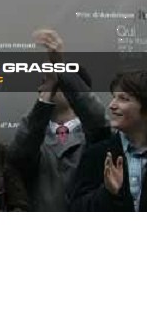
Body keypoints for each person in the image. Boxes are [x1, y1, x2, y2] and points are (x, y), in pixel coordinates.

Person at [8, 29, 110, 211]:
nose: (45, 85)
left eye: (59, 82)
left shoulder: (96, 136)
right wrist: (48, 93)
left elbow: (97, 120)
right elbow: (19, 155)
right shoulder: (34, 136)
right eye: (43, 81)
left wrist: (60, 67)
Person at [70, 70, 147, 212]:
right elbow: (76, 209)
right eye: (113, 97)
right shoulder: (97, 154)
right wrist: (107, 192)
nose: (112, 105)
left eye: (123, 99)